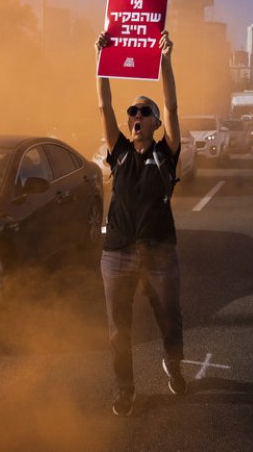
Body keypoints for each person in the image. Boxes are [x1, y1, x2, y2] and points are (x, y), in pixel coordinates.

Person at [95, 29, 186, 417]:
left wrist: (165, 60)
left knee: (169, 317)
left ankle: (174, 365)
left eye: (143, 112)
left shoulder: (166, 153)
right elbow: (104, 106)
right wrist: (100, 62)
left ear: (154, 123)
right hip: (117, 253)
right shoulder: (118, 152)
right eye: (133, 112)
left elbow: (173, 106)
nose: (135, 116)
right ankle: (125, 389)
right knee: (119, 330)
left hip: (160, 252)